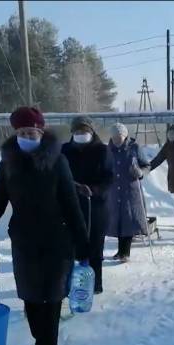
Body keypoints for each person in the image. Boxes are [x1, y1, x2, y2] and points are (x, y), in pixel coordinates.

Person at [0, 106, 89, 345]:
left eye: (32, 131)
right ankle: (39, 338)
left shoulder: (58, 162)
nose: (27, 136)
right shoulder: (8, 163)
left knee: (52, 298)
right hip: (24, 241)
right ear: (15, 133)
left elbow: (70, 203)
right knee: (31, 299)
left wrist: (83, 242)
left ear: (41, 132)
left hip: (58, 240)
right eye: (22, 132)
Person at [61, 116, 113, 294]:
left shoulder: (102, 151)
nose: (81, 134)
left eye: (84, 131)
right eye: (77, 131)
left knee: (95, 246)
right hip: (71, 204)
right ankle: (71, 282)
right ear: (72, 132)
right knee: (71, 246)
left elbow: (109, 178)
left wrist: (94, 190)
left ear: (91, 132)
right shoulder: (64, 150)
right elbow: (59, 175)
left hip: (96, 206)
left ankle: (96, 283)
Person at [106, 123, 150, 262]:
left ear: (125, 137)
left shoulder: (134, 148)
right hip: (114, 191)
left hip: (130, 191)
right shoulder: (108, 150)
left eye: (119, 137)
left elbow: (146, 165)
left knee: (129, 220)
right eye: (114, 138)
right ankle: (120, 251)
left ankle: (126, 253)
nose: (116, 140)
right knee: (118, 221)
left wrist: (140, 172)